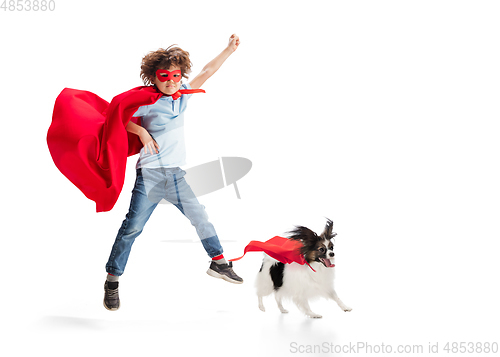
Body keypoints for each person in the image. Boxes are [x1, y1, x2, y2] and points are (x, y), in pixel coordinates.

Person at [103, 34, 243, 311]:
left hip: (176, 175)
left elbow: (208, 71)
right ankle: (112, 280)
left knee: (200, 217)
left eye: (175, 76)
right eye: (164, 76)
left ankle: (218, 262)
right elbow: (117, 117)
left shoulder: (183, 95)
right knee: (132, 228)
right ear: (153, 78)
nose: (171, 81)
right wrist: (140, 130)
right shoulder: (147, 101)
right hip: (150, 175)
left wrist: (228, 49)